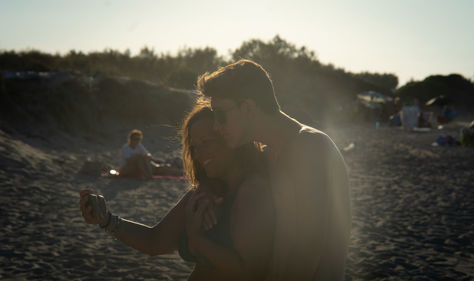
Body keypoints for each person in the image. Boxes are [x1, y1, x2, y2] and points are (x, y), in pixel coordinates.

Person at [79, 105, 274, 281]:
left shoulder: (252, 191)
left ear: (230, 138)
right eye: (194, 146)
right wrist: (106, 220)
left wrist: (197, 239)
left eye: (206, 142)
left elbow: (251, 273)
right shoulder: (202, 195)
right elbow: (155, 241)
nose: (198, 153)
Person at [197, 59, 351, 280]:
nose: (215, 126)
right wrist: (210, 191)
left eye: (220, 114)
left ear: (248, 107)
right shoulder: (270, 154)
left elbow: (308, 249)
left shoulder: (310, 147)